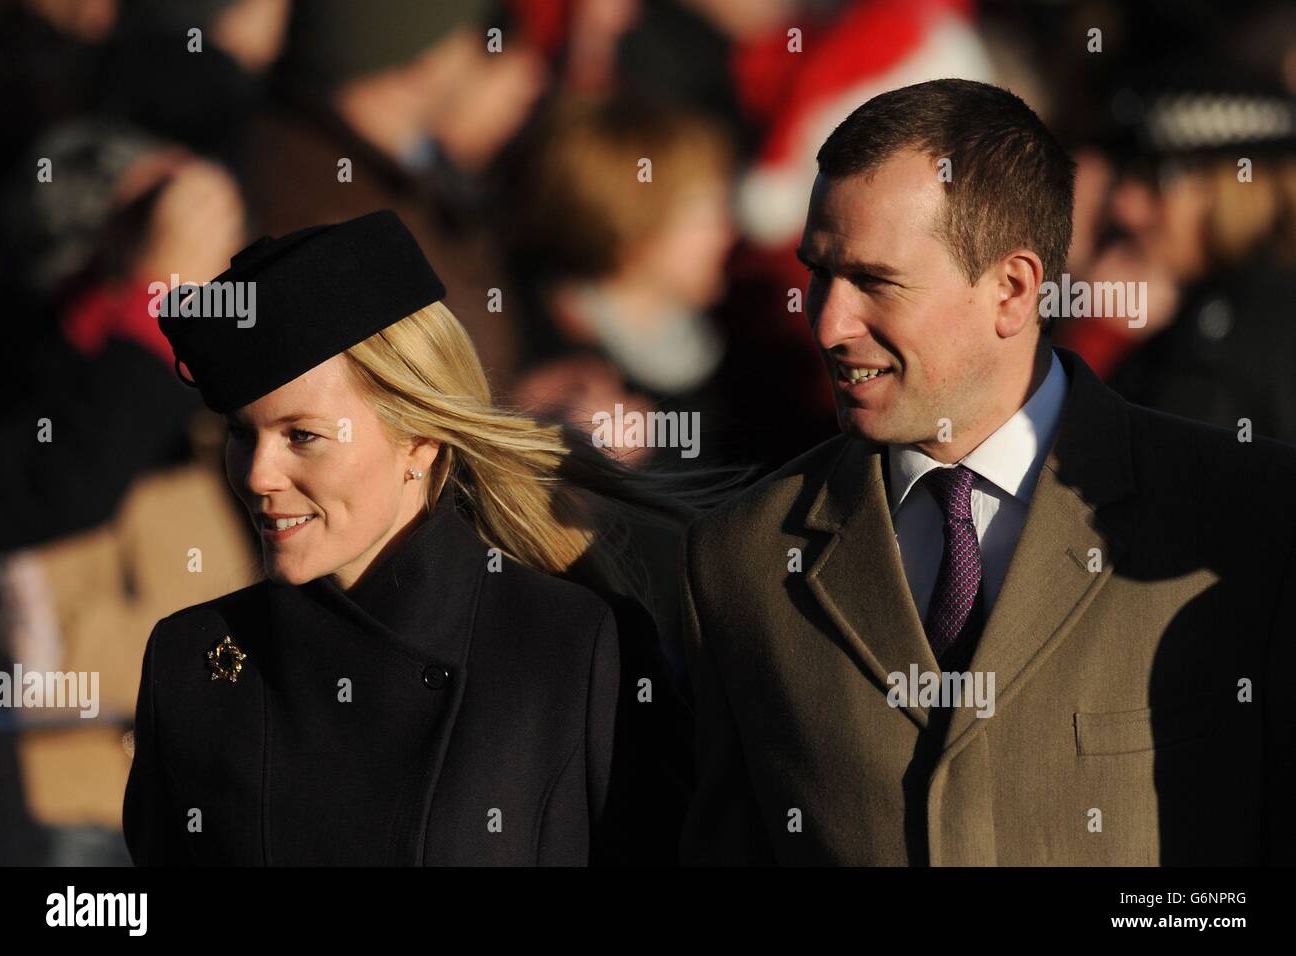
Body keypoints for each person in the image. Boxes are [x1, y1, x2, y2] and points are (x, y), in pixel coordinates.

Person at [679, 79, 1296, 866]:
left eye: (874, 280)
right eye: (819, 273)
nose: (829, 322)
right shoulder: (743, 563)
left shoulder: (1249, 524)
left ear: (1011, 289)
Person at [122, 210, 692, 865]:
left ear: (419, 439)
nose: (257, 474)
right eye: (242, 434)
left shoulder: (574, 651)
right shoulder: (193, 659)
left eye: (301, 436)